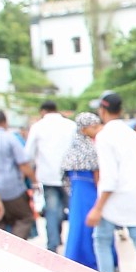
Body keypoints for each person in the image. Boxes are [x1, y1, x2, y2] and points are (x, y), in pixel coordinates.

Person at [89, 91, 136, 272]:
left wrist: (98, 208)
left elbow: (109, 177)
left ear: (102, 110)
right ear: (121, 110)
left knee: (101, 239)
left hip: (113, 196)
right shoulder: (133, 135)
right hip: (135, 194)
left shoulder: (104, 136)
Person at [23, 100, 77, 253]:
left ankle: (52, 244)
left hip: (47, 176)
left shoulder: (38, 127)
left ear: (42, 111)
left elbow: (28, 154)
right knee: (72, 210)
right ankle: (73, 244)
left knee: (52, 211)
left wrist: (32, 174)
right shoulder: (70, 125)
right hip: (69, 176)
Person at [0, 110, 35, 239]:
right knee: (24, 218)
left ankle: (0, 251)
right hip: (12, 189)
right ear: (4, 122)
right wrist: (34, 180)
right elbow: (23, 164)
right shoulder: (10, 138)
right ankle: (15, 247)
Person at [60, 113, 101, 270]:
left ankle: (74, 259)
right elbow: (96, 173)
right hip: (89, 189)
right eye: (94, 126)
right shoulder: (91, 148)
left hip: (77, 191)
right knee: (89, 225)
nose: (97, 130)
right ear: (84, 129)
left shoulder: (73, 147)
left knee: (77, 224)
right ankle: (90, 261)